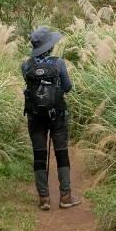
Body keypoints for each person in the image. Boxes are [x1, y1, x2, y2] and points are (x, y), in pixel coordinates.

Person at [22, 26, 82, 211]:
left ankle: (44, 198)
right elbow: (68, 87)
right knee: (61, 153)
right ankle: (65, 196)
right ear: (50, 46)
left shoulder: (26, 65)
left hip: (34, 116)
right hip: (57, 115)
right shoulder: (59, 63)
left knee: (39, 155)